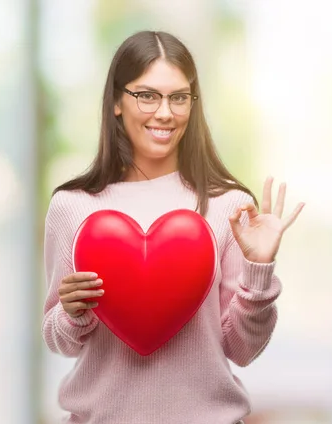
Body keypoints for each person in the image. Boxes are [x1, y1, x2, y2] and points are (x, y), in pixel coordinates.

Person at [41, 30, 305, 424]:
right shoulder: (72, 207)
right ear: (116, 101)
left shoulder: (229, 206)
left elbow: (242, 349)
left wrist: (259, 271)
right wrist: (73, 313)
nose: (164, 112)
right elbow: (58, 341)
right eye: (146, 95)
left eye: (179, 97)